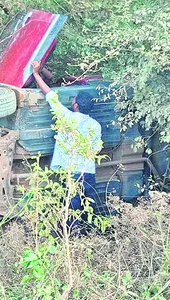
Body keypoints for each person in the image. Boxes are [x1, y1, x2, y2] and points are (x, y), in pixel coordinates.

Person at [32, 60, 104, 228]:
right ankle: (90, 233)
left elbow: (50, 94)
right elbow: (96, 150)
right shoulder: (96, 125)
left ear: (76, 105)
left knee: (72, 206)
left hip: (70, 172)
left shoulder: (66, 117)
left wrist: (36, 73)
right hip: (88, 172)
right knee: (89, 206)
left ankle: (74, 235)